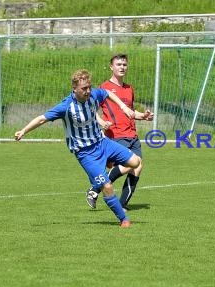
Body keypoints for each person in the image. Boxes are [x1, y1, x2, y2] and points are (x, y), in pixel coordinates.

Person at [14, 69, 140, 228]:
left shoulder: (94, 94)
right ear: (74, 88)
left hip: (103, 143)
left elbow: (107, 92)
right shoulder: (66, 106)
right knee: (107, 186)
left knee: (135, 162)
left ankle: (108, 161)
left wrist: (123, 107)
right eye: (84, 88)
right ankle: (123, 219)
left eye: (89, 87)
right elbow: (41, 119)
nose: (88, 91)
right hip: (86, 154)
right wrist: (24, 131)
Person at [85, 53, 153, 211]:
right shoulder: (104, 88)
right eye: (118, 64)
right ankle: (95, 188)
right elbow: (90, 108)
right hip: (116, 134)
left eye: (124, 65)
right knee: (130, 163)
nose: (122, 67)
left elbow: (130, 112)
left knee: (138, 166)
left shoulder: (129, 89)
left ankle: (121, 205)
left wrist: (143, 116)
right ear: (111, 67)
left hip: (132, 134)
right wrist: (101, 122)